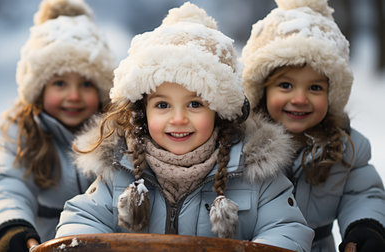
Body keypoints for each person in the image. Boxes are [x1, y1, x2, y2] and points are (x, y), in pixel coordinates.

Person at [55, 2, 314, 252]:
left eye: (194, 104)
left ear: (219, 111)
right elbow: (82, 222)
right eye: (163, 105)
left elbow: (286, 229)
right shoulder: (120, 168)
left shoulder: (253, 171)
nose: (178, 119)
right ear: (142, 111)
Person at [240, 0, 385, 251]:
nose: (299, 99)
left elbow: (363, 194)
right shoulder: (238, 146)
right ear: (262, 90)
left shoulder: (345, 147)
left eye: (315, 88)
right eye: (285, 85)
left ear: (331, 94)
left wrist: (366, 226)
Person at [0, 0, 117, 251]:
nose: (74, 95)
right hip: (44, 243)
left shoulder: (114, 132)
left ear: (101, 90)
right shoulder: (22, 130)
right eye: (60, 83)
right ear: (39, 88)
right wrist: (14, 228)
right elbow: (7, 186)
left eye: (86, 84)